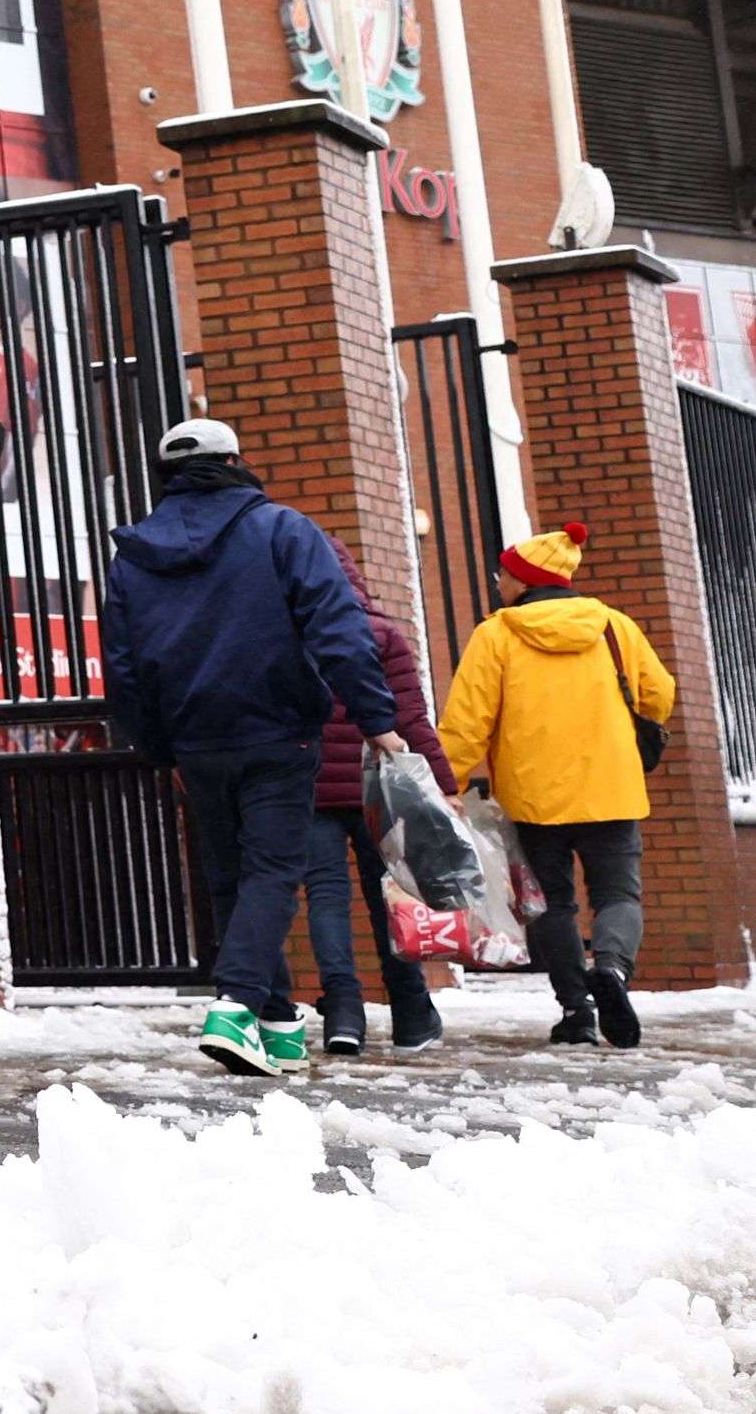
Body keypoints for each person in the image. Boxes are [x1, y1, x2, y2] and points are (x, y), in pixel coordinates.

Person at [100, 415, 400, 1076]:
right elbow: (338, 629)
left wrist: (159, 747)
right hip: (275, 730)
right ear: (235, 461)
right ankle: (233, 1005)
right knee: (270, 871)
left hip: (194, 741)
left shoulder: (132, 557)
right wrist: (378, 718)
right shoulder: (283, 530)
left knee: (230, 877)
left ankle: (274, 1023)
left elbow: (122, 668)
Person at [437, 521, 678, 1047]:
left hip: (533, 797)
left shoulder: (496, 634)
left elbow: (468, 721)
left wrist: (445, 782)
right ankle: (612, 970)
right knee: (618, 894)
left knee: (552, 904)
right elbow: (659, 696)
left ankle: (577, 1010)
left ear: (524, 581)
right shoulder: (614, 627)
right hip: (612, 789)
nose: (498, 583)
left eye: (502, 575)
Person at [304, 575, 448, 1057]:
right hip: (377, 789)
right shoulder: (381, 634)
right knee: (389, 894)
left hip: (310, 787)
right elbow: (410, 716)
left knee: (326, 896)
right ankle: (411, 1014)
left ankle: (344, 1013)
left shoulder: (289, 631)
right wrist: (444, 786)